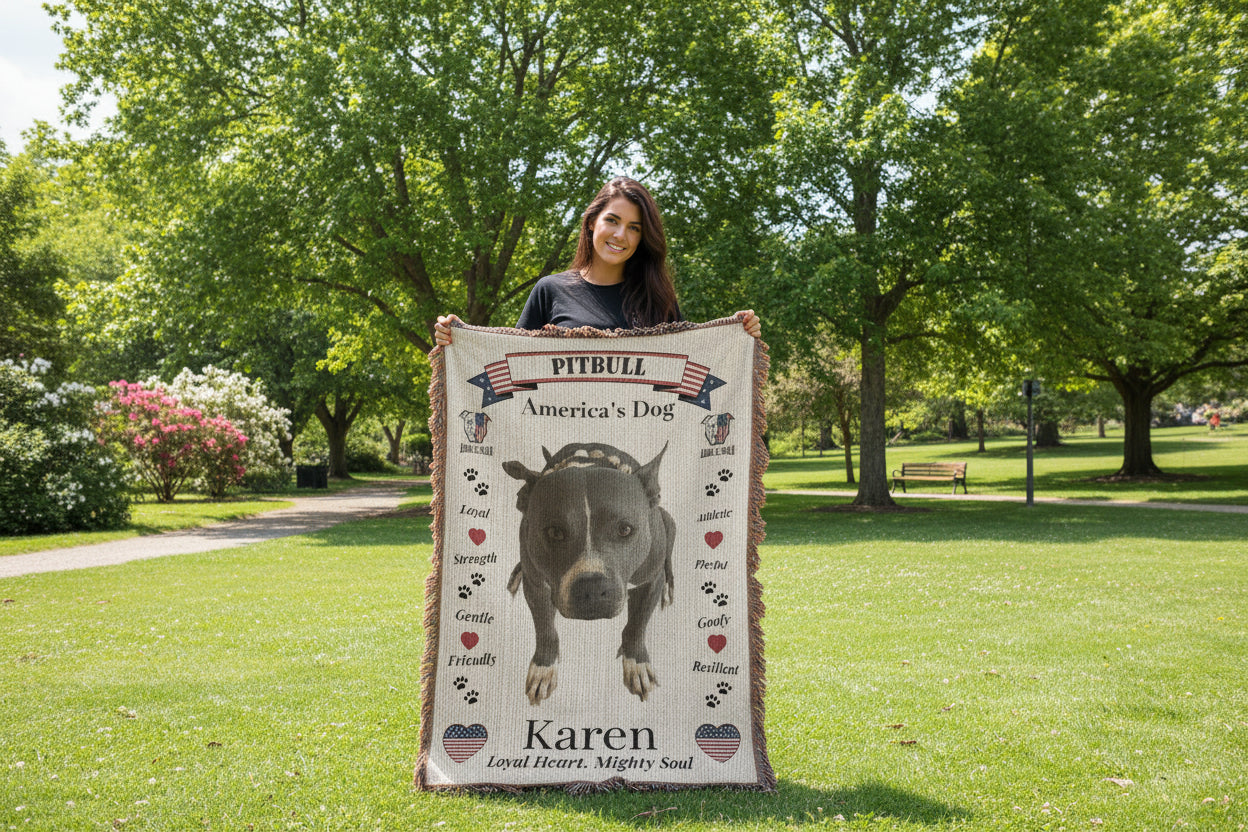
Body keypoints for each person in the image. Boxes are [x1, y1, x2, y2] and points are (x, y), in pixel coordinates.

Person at [433, 177, 761, 346]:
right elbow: (513, 365)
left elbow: (693, 364)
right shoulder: (550, 290)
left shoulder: (658, 299)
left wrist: (738, 334)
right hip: (564, 456)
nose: (621, 235)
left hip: (638, 456)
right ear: (592, 222)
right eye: (613, 221)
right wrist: (459, 339)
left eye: (635, 228)